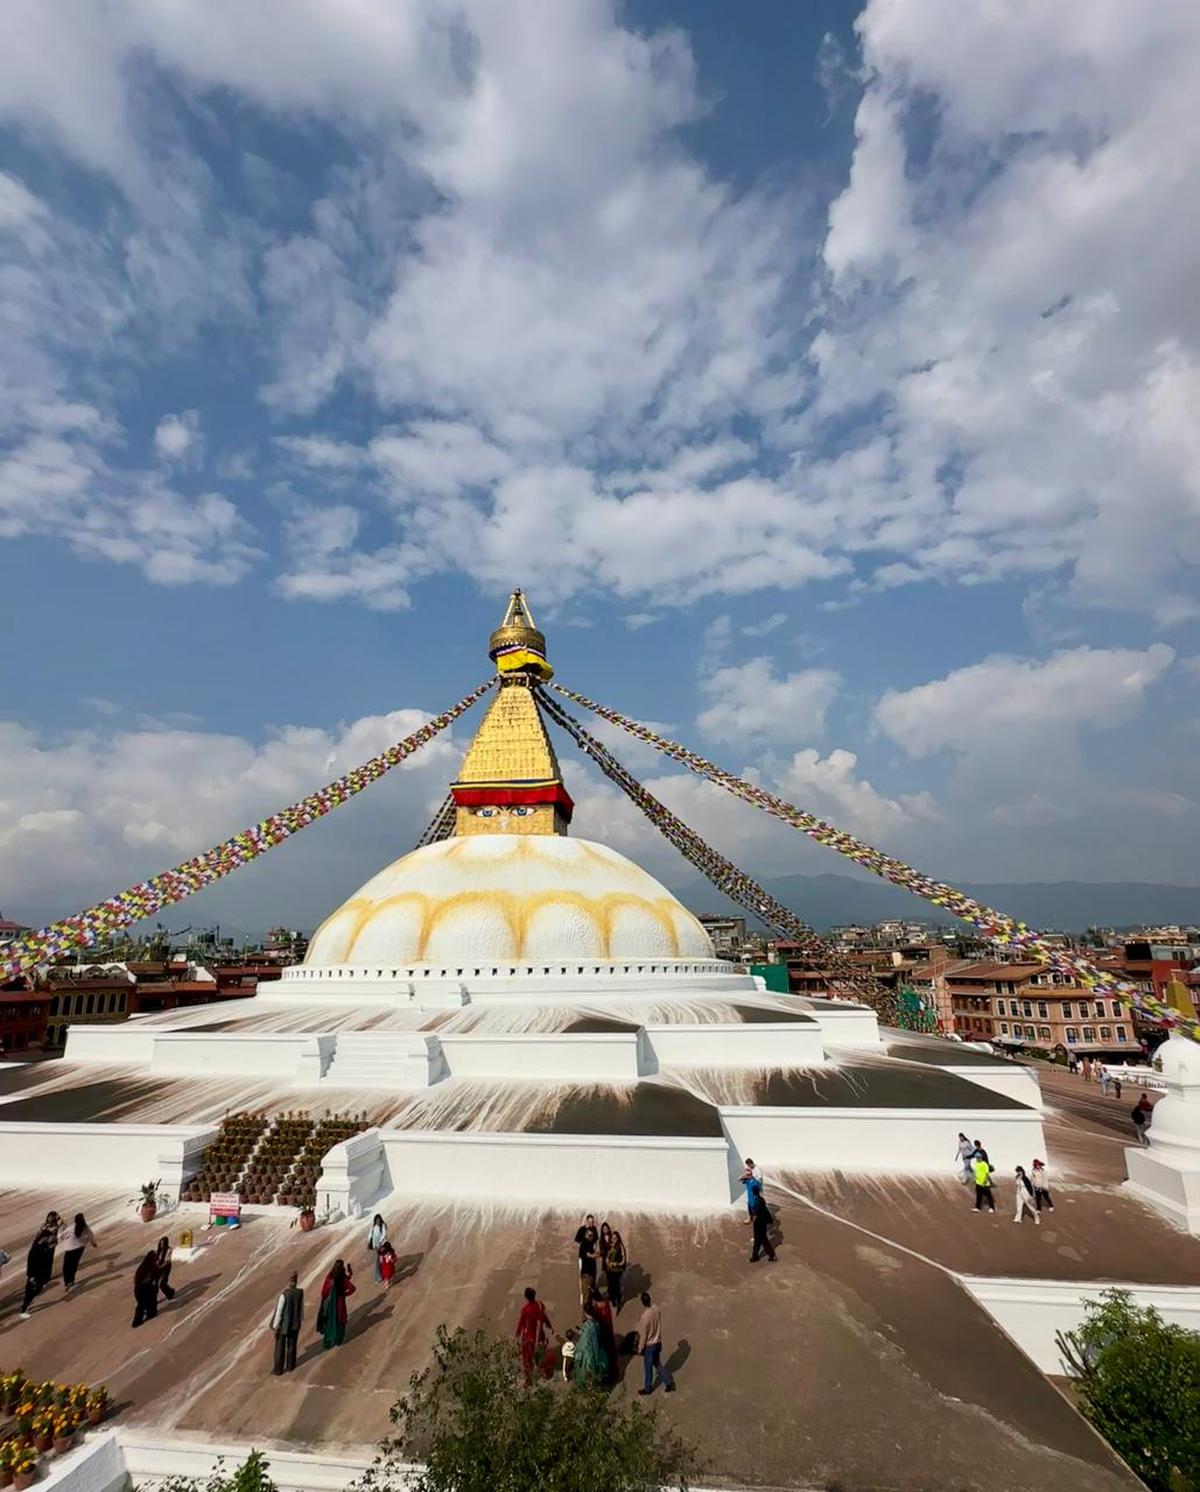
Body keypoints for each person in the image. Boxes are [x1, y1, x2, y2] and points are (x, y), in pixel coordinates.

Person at [636, 1291, 675, 1396]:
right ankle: (668, 1383)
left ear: (643, 1303)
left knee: (648, 1367)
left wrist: (640, 1348)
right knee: (657, 1364)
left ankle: (648, 1388)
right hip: (658, 1342)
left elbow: (643, 1335)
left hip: (650, 1346)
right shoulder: (656, 1309)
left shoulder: (645, 1317)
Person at [20, 1215, 59, 1318]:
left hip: (40, 1273)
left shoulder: (43, 1245)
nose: (51, 1238)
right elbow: (31, 1262)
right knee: (31, 1291)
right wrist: (31, 1276)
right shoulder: (36, 1249)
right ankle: (23, 1311)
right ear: (45, 1237)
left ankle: (26, 1306)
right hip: (35, 1274)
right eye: (49, 1237)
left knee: (36, 1289)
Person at [515, 1286, 552, 1381]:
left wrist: (517, 1334)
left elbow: (521, 1323)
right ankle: (543, 1372)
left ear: (526, 1297)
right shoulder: (540, 1305)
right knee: (540, 1355)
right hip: (539, 1336)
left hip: (528, 1337)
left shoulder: (526, 1309)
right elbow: (544, 1318)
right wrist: (550, 1326)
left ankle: (529, 1377)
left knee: (527, 1358)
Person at [271, 1272, 304, 1375]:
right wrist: (299, 1320)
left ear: (289, 1282)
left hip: (284, 1325)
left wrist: (276, 1326)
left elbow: (279, 1312)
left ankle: (278, 1369)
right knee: (292, 1345)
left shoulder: (284, 1295)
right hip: (295, 1323)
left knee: (280, 1348)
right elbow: (301, 1309)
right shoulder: (300, 1293)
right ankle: (291, 1365)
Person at [317, 1259, 355, 1348]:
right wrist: (345, 1294)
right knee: (341, 1321)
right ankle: (338, 1340)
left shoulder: (329, 1278)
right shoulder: (342, 1279)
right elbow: (352, 1288)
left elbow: (324, 1292)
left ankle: (328, 1341)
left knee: (329, 1322)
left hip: (330, 1305)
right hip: (340, 1304)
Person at [573, 1301, 609, 1388]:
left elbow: (584, 1343)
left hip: (588, 1353)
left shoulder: (587, 1326)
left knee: (587, 1372)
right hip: (598, 1350)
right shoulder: (597, 1322)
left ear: (585, 1313)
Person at [59, 1213, 96, 1294]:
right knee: (74, 1265)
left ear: (75, 1220)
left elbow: (61, 1236)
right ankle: (71, 1280)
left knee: (66, 1266)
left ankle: (67, 1281)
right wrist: (93, 1243)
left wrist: (62, 1229)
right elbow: (90, 1235)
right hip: (80, 1248)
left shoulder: (71, 1228)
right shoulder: (85, 1227)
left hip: (70, 1248)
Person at [589, 1286, 618, 1383]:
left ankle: (610, 1375)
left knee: (607, 1355)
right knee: (610, 1354)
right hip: (607, 1332)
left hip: (605, 1334)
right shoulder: (604, 1304)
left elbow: (600, 1322)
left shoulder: (601, 1309)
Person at [573, 1213, 599, 1306]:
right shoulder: (582, 1229)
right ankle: (582, 1294)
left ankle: (592, 1290)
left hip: (592, 1255)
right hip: (583, 1257)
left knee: (593, 1273)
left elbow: (596, 1241)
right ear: (586, 1221)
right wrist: (584, 1247)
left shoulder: (594, 1229)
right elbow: (577, 1241)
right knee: (582, 1275)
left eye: (593, 1221)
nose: (592, 1223)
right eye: (590, 1221)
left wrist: (595, 1251)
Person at [132, 1251, 160, 1328]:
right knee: (142, 1304)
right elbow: (138, 1280)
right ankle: (137, 1321)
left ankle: (151, 1313)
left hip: (149, 1286)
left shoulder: (152, 1266)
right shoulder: (143, 1267)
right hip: (141, 1288)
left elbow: (157, 1275)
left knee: (151, 1301)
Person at [750, 1188, 777, 1263]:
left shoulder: (757, 1202)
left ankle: (758, 1256)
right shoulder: (762, 1200)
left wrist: (751, 1221)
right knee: (761, 1240)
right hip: (763, 1223)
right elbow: (765, 1210)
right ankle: (756, 1256)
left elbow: (755, 1213)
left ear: (753, 1193)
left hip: (758, 1224)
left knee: (761, 1241)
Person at [605, 1228, 627, 1311]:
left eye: (615, 1238)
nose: (613, 1239)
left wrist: (615, 1264)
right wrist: (607, 1261)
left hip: (617, 1270)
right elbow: (607, 1256)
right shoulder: (611, 1246)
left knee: (616, 1286)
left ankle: (618, 1301)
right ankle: (613, 1300)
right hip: (610, 1270)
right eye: (612, 1238)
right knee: (610, 1286)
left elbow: (623, 1261)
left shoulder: (620, 1247)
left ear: (618, 1238)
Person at [366, 1214, 388, 1284]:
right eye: (377, 1220)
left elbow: (384, 1235)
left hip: (382, 1246)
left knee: (384, 1260)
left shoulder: (383, 1226)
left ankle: (385, 1274)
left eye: (379, 1220)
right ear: (375, 1221)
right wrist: (370, 1242)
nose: (378, 1221)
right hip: (376, 1247)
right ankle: (378, 1277)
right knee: (377, 1262)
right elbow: (370, 1235)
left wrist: (380, 1243)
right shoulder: (373, 1227)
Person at [738, 1158, 761, 1223]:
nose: (748, 1166)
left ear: (751, 1163)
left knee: (755, 1206)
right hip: (750, 1189)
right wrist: (745, 1174)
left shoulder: (757, 1170)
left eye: (748, 1165)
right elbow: (739, 1179)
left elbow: (760, 1180)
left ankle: (758, 1218)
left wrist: (759, 1189)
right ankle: (749, 1218)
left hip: (755, 1188)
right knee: (749, 1205)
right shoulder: (748, 1177)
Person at [155, 1236, 176, 1301]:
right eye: (161, 1244)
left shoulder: (169, 1250)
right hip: (158, 1268)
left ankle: (170, 1293)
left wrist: (159, 1266)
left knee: (162, 1283)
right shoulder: (159, 1250)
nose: (161, 1246)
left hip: (165, 1268)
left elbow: (167, 1261)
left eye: (163, 1244)